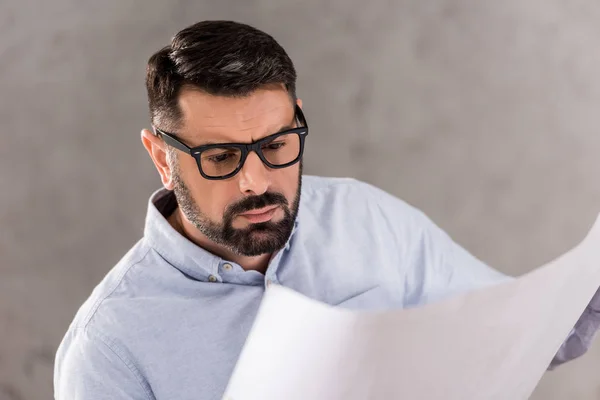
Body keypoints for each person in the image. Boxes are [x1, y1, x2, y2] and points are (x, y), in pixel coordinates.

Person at [54, 20, 600, 400]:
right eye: (220, 157)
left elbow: (510, 331)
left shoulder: (368, 220)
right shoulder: (110, 347)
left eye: (275, 146)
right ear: (162, 159)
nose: (256, 181)